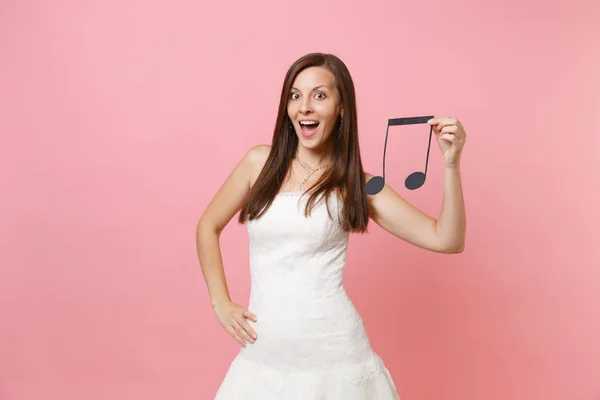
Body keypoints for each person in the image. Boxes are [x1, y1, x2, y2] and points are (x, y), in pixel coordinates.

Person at [196, 52, 467, 399]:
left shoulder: (359, 185)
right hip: (263, 358)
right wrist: (220, 302)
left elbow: (447, 239)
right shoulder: (258, 163)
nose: (304, 107)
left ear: (342, 108)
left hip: (336, 359)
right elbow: (208, 225)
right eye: (295, 95)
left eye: (319, 95)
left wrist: (451, 164)